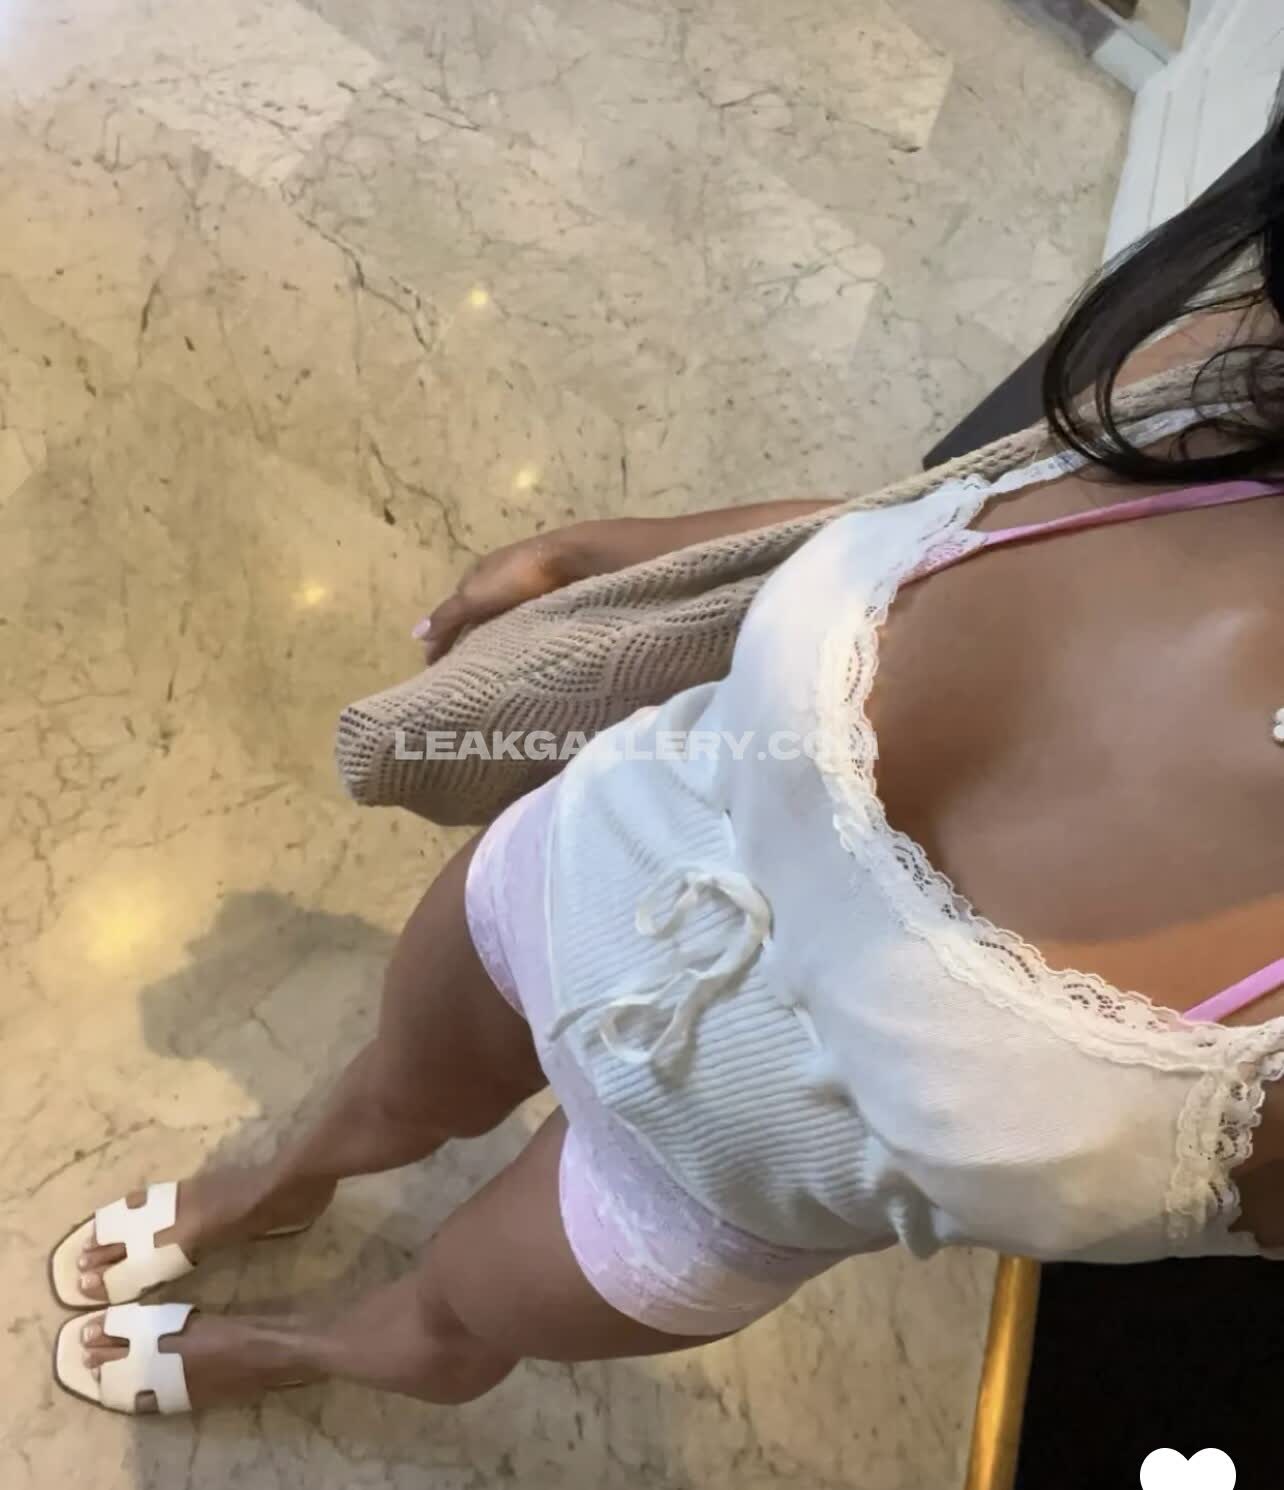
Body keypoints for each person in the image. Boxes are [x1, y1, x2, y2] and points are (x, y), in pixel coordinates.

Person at [51, 102, 1284, 1416]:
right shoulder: (1233, 378)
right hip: (584, 863)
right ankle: (284, 1185)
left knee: (449, 1317)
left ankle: (303, 1350)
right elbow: (931, 515)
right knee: (387, 1092)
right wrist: (618, 553)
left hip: (706, 1187)